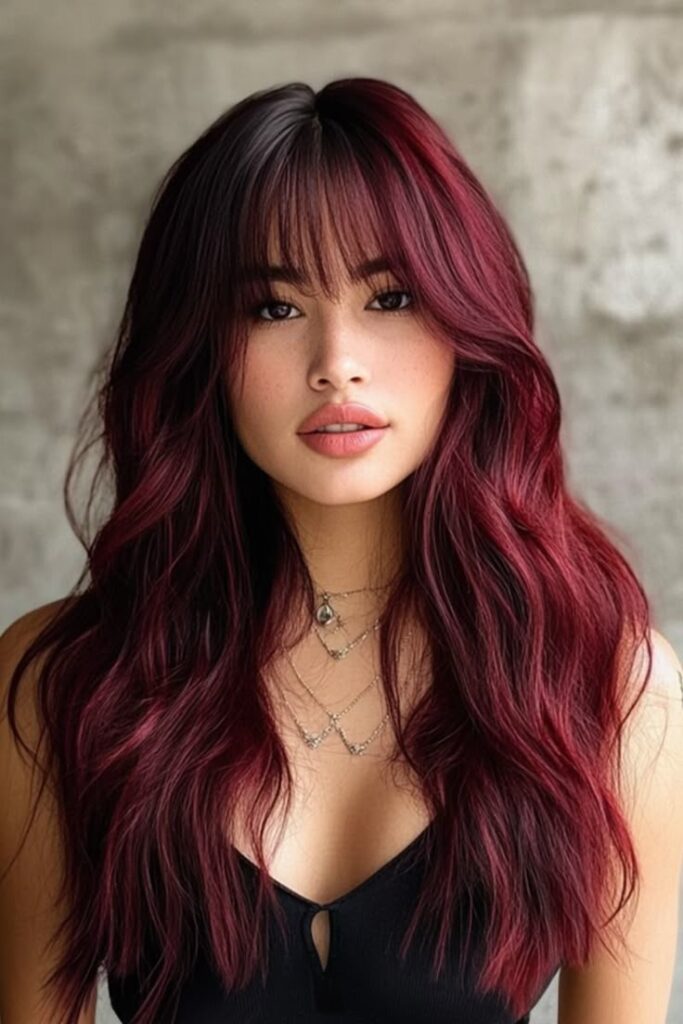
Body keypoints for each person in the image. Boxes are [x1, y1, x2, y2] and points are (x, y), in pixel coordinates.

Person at [1, 76, 682, 1024]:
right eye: (274, 308)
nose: (337, 360)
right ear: (200, 346)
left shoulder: (607, 690)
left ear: (465, 325)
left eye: (390, 296)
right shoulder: (67, 682)